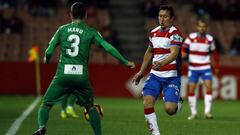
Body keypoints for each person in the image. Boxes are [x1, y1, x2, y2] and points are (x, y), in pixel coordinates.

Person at [32, 2, 135, 135]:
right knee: (90, 107)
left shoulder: (62, 30)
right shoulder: (90, 32)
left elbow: (49, 51)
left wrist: (47, 59)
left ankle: (41, 127)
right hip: (81, 76)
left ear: (70, 15)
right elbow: (107, 47)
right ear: (86, 15)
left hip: (63, 75)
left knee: (45, 105)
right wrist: (124, 61)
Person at [132, 5, 183, 135]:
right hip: (155, 75)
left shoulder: (175, 33)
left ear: (171, 18)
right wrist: (141, 71)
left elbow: (174, 53)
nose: (162, 19)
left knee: (170, 110)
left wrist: (161, 63)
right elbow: (149, 52)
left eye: (165, 16)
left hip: (171, 76)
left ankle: (178, 103)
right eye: (160, 16)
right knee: (147, 102)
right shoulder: (153, 33)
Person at [182, 19, 219, 120]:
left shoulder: (210, 39)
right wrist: (183, 54)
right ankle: (193, 113)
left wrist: (216, 66)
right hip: (193, 67)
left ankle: (207, 112)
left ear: (206, 28)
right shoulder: (191, 37)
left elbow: (214, 53)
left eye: (204, 26)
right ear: (197, 27)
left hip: (205, 66)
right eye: (200, 26)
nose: (202, 28)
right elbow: (183, 48)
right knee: (191, 89)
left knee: (208, 87)